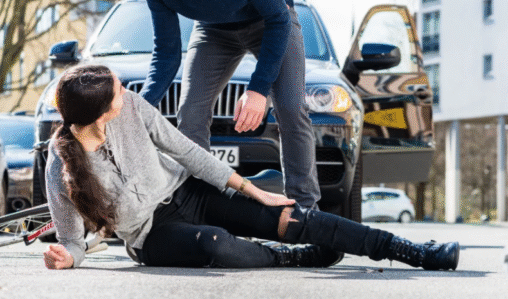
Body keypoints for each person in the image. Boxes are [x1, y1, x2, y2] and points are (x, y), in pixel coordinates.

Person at [43, 64, 460, 271]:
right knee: (215, 244)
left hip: (191, 192)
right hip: (152, 236)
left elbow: (187, 152)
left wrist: (252, 191)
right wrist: (68, 257)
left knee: (293, 216)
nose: (125, 93)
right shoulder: (61, 167)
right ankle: (289, 259)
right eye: (117, 93)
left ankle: (413, 252)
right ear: (99, 114)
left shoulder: (132, 107)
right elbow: (73, 240)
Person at [116, 0, 319, 209]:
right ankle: (199, 206)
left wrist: (258, 90)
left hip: (270, 22)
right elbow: (167, 53)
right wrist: (140, 109)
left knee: (290, 107)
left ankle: (305, 211)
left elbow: (278, 19)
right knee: (190, 112)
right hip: (213, 31)